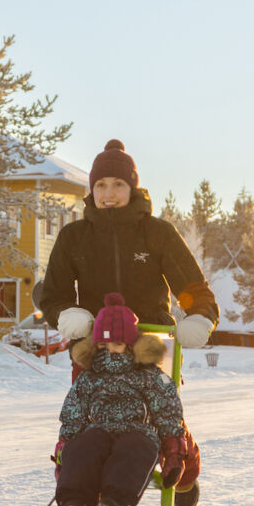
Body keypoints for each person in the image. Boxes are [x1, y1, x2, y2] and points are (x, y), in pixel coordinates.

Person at [39, 139, 218, 352]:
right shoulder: (73, 237)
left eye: (118, 184)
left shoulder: (158, 233)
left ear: (132, 188)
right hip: (94, 348)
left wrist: (199, 317)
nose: (108, 194)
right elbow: (53, 296)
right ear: (92, 189)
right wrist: (67, 314)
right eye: (101, 185)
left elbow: (195, 290)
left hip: (151, 347)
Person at [54, 293, 194, 506]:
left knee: (135, 449)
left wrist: (173, 450)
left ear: (130, 345)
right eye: (103, 345)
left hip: (137, 432)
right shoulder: (90, 376)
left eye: (117, 344)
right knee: (84, 445)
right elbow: (74, 412)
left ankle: (115, 505)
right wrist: (66, 446)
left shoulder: (149, 375)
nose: (111, 351)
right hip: (100, 431)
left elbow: (168, 412)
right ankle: (74, 505)